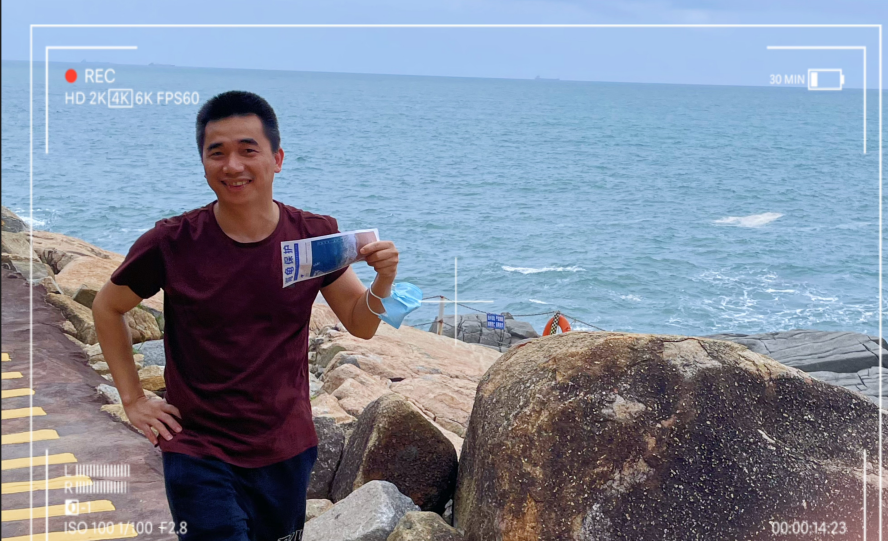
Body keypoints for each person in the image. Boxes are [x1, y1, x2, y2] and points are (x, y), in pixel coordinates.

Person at [92, 90, 399, 541]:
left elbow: (360, 323)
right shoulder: (172, 242)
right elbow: (107, 306)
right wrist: (133, 399)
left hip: (285, 449)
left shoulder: (314, 238)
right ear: (203, 162)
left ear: (277, 159)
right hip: (198, 450)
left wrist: (383, 281)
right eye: (217, 153)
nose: (232, 165)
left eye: (247, 150)